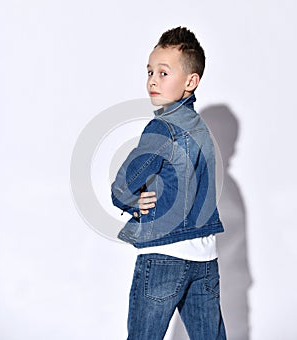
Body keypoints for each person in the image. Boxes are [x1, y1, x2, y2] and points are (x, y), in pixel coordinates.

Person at [111, 26, 226, 340]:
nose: (152, 80)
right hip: (205, 257)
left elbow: (123, 185)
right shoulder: (202, 128)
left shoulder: (162, 128)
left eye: (163, 73)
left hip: (165, 253)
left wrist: (130, 202)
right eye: (149, 71)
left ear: (191, 81)